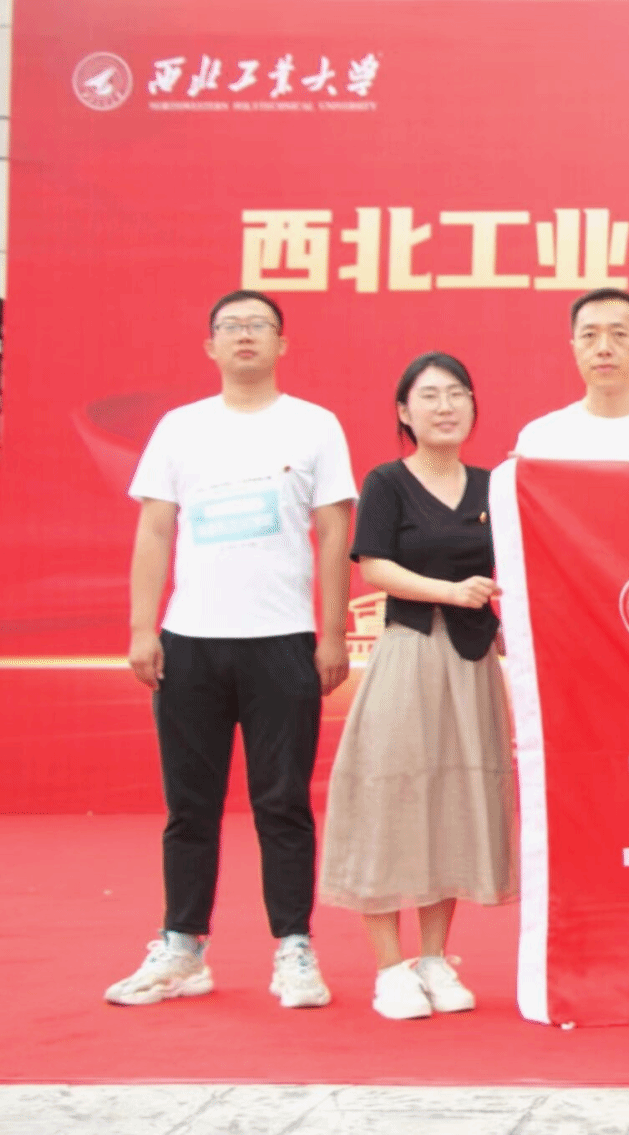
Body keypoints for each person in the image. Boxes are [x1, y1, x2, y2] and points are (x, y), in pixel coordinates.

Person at [107, 290, 354, 1009]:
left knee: (283, 803)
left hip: (282, 641)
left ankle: (295, 947)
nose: (245, 336)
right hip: (191, 642)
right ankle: (182, 946)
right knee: (190, 805)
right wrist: (143, 628)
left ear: (283, 343)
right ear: (210, 345)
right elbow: (156, 528)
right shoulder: (180, 428)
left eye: (259, 326)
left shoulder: (314, 425)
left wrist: (332, 634)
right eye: (231, 326)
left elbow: (334, 533)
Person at [319, 352, 517, 1020]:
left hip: (473, 664)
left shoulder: (493, 486)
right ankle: (389, 967)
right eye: (429, 396)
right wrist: (451, 592)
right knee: (390, 798)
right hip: (411, 653)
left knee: (453, 801)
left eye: (457, 393)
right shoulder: (387, 482)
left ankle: (434, 956)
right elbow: (374, 566)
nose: (445, 406)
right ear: (405, 411)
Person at [513, 288, 629, 461]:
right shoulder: (541, 439)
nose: (604, 349)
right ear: (574, 349)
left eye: (619, 334)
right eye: (589, 335)